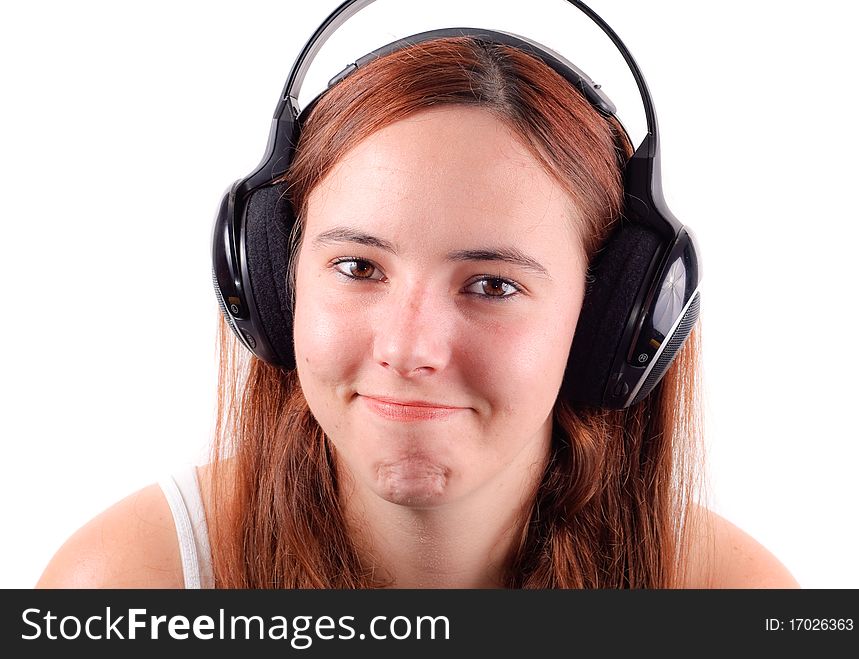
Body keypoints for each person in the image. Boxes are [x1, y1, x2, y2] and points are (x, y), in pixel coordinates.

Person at [36, 34, 798, 589]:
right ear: (273, 282)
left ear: (616, 321)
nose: (408, 348)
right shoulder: (128, 586)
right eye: (357, 266)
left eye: (492, 284)